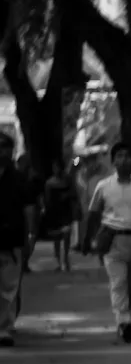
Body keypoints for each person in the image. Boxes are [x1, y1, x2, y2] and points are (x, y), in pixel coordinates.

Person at [85, 142, 131, 344]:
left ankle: (128, 318)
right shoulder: (104, 186)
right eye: (119, 156)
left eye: (127, 156)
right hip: (112, 239)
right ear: (113, 161)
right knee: (118, 282)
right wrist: (88, 239)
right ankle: (124, 320)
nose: (124, 160)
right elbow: (93, 213)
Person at [0, 134, 38, 348]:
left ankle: (4, 328)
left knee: (8, 287)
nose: (1, 152)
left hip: (12, 240)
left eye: (5, 148)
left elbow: (29, 209)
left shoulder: (20, 180)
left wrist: (31, 236)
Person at [39, 159, 80, 271]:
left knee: (66, 235)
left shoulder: (68, 180)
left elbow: (74, 194)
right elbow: (46, 198)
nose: (56, 170)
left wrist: (73, 205)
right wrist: (45, 210)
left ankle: (65, 257)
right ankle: (58, 259)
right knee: (56, 237)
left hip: (65, 211)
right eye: (54, 167)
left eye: (58, 167)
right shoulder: (50, 182)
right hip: (54, 212)